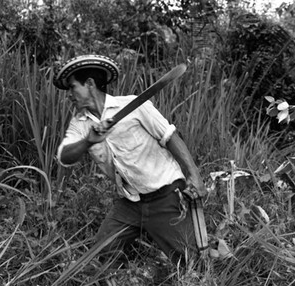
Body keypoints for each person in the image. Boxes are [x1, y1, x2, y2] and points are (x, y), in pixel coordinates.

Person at [53, 55, 207, 267]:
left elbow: (170, 137)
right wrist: (88, 140)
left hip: (165, 195)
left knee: (191, 263)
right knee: (102, 254)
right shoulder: (80, 123)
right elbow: (64, 157)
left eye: (72, 87)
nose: (69, 95)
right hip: (130, 202)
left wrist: (194, 175)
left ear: (89, 84)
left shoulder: (134, 106)